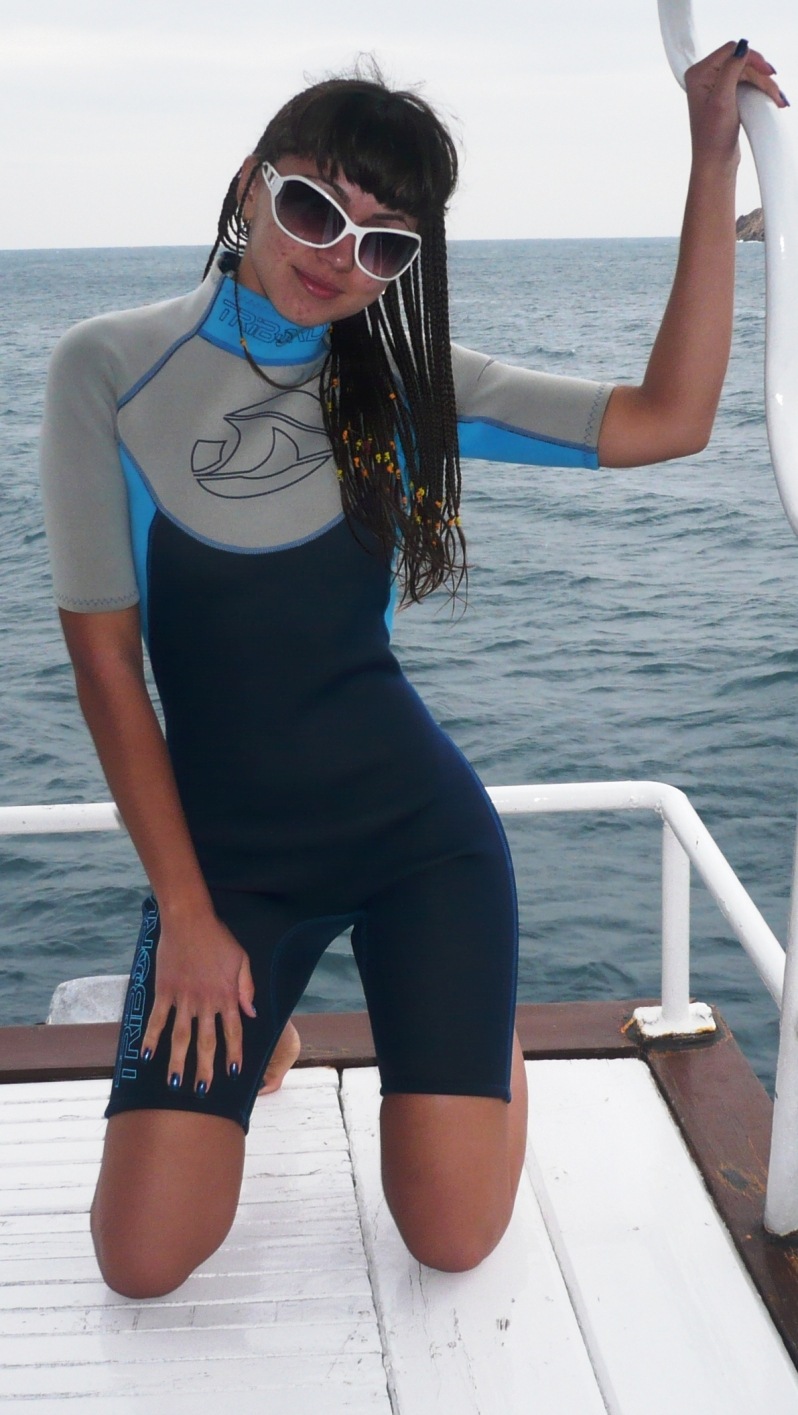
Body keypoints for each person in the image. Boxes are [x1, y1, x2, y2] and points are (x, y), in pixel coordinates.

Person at [40, 41, 785, 1299]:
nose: (338, 255)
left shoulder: (405, 388)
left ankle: (473, 1041)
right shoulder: (107, 370)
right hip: (229, 867)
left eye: (383, 242)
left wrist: (710, 160)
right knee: (143, 1260)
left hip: (415, 840)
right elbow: (109, 665)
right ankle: (270, 1018)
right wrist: (190, 917)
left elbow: (671, 419)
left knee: (451, 1238)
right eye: (313, 206)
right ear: (251, 183)